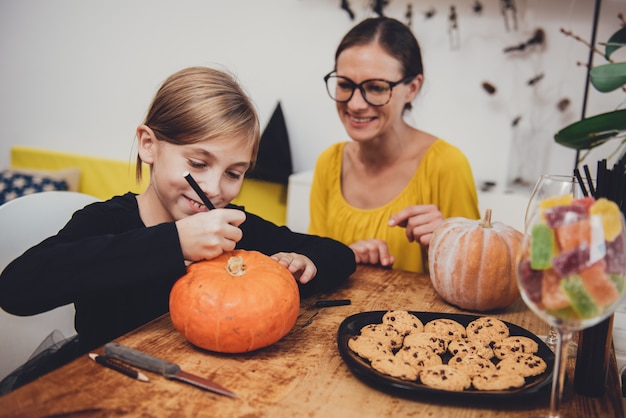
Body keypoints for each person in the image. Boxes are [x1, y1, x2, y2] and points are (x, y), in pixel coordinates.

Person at [0, 66, 356, 391]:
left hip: (193, 387)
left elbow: (336, 254)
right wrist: (173, 243)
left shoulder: (230, 225)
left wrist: (300, 263)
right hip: (106, 382)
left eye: (234, 173)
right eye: (198, 163)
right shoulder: (106, 221)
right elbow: (17, 288)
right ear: (149, 145)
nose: (215, 188)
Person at [309, 17, 479, 273]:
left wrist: (446, 243)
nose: (355, 104)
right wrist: (346, 257)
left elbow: (477, 276)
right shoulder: (329, 162)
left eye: (376, 88)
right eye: (345, 84)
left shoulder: (447, 165)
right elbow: (315, 265)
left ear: (412, 88)